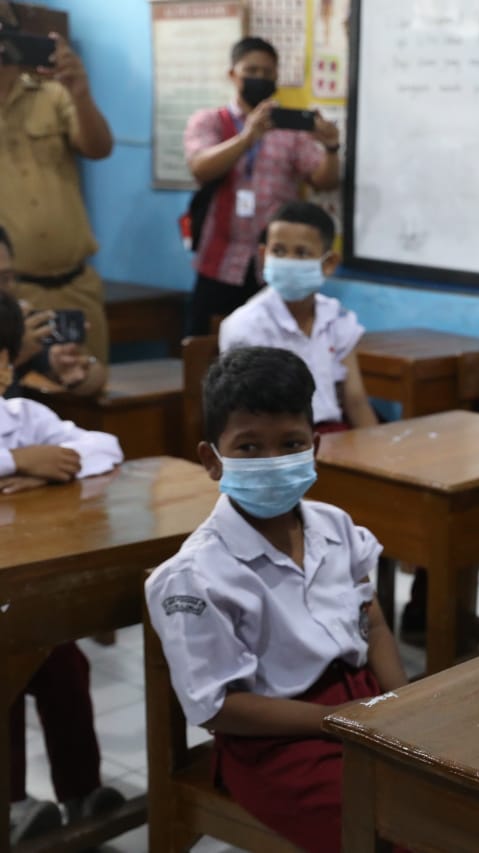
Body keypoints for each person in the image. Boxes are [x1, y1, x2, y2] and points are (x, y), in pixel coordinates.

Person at [144, 346, 408, 853]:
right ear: (211, 459)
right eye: (248, 447)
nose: (272, 460)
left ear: (316, 447)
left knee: (460, 802)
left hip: (364, 706)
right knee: (393, 829)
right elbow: (220, 707)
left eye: (291, 443)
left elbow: (372, 626)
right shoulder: (195, 575)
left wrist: (403, 711)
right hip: (275, 743)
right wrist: (344, 722)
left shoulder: (335, 527)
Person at [0, 291, 124, 844]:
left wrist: (54, 466)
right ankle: (11, 807)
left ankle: (82, 793)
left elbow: (105, 445)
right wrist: (14, 461)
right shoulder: (16, 441)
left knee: (64, 665)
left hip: (21, 595)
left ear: (6, 364)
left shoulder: (23, 416)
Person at [184, 37, 342, 336]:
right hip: (219, 263)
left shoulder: (289, 130)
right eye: (251, 71)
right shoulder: (210, 121)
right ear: (233, 74)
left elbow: (324, 180)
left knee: (269, 356)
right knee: (207, 354)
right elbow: (200, 167)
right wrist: (248, 137)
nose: (260, 79)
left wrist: (332, 147)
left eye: (268, 73)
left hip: (274, 269)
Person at [0, 3, 114, 363]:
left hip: (75, 285)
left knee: (86, 387)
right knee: (13, 401)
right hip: (10, 294)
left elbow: (98, 148)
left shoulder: (52, 94)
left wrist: (80, 92)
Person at [218, 202, 376, 431]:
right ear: (264, 255)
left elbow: (356, 401)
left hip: (332, 435)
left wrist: (374, 455)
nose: (288, 261)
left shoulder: (336, 319)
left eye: (301, 253)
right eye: (279, 251)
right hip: (278, 442)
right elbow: (248, 414)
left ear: (329, 263)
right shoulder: (246, 325)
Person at [0, 226, 105, 399]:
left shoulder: (14, 324)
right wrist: (15, 356)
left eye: (5, 279)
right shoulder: (20, 344)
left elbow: (94, 381)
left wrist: (74, 371)